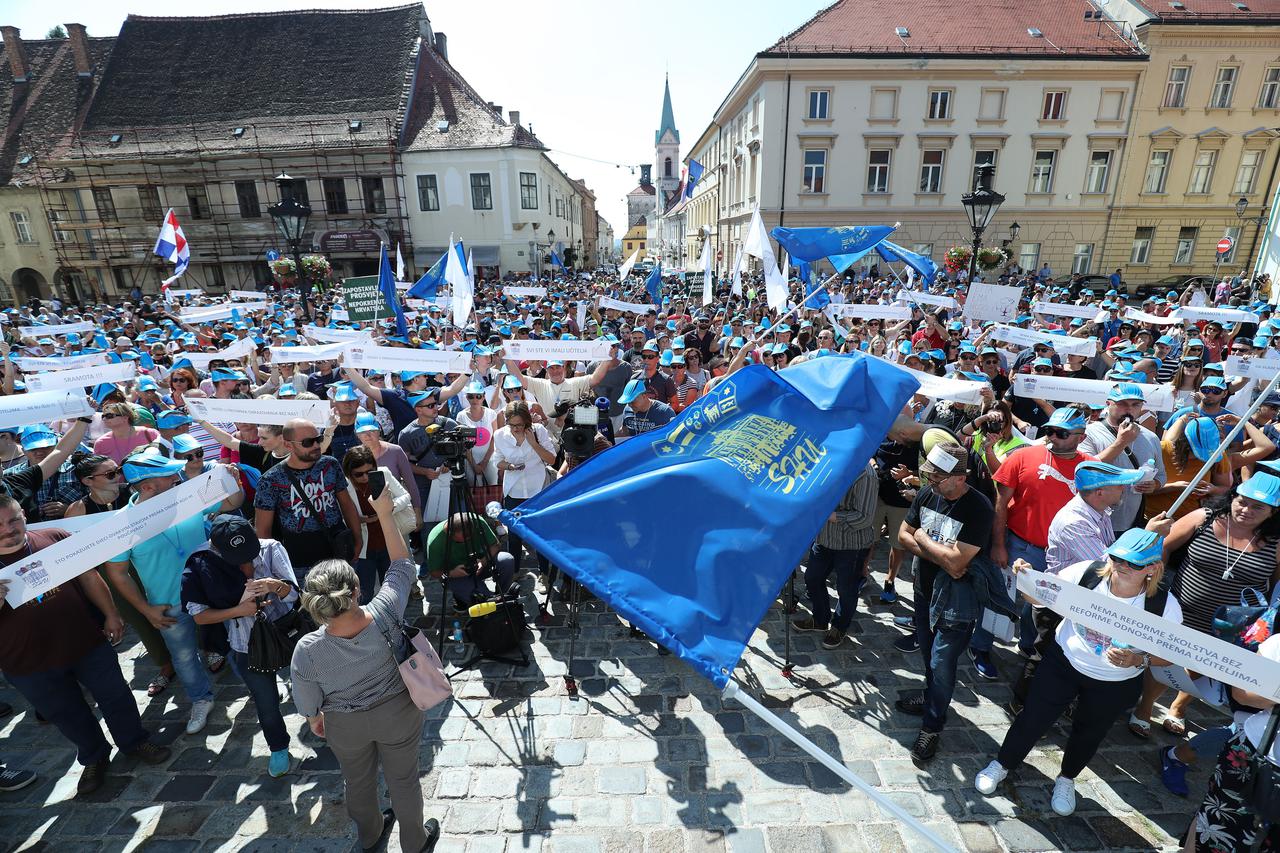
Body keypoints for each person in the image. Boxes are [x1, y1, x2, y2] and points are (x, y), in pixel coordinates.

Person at [975, 529, 1180, 817]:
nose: (1121, 567)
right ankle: (1002, 763)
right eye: (1117, 558)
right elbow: (1039, 599)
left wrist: (1139, 658)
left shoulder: (1164, 605)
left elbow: (1170, 654)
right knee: (1033, 717)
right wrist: (1029, 578)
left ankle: (1067, 778)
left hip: (1113, 682)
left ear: (1152, 568)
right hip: (1064, 662)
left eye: (1132, 564)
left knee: (1089, 732)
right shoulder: (1088, 572)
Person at [290, 486, 442, 853]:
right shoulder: (386, 611)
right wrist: (386, 515)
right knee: (404, 780)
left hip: (346, 724)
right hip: (397, 712)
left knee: (356, 782)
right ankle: (415, 842)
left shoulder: (307, 650)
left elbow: (308, 704)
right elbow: (402, 565)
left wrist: (314, 720)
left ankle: (370, 836)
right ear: (357, 588)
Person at [0, 495, 171, 795]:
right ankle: (94, 757)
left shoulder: (54, 537)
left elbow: (89, 576)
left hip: (85, 642)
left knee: (116, 696)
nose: (7, 529)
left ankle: (134, 741)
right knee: (67, 714)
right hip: (27, 662)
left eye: (12, 519)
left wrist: (111, 614)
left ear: (24, 514)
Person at [104, 450, 245, 735]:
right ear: (147, 487)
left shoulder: (186, 496)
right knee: (183, 657)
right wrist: (146, 610)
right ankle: (200, 699)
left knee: (236, 638)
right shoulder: (120, 525)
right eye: (169, 475)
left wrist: (234, 484)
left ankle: (253, 684)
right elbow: (117, 574)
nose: (178, 477)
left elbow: (232, 503)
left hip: (213, 593)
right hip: (168, 604)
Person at [1133, 473, 1280, 746]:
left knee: (1201, 667)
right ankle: (1146, 705)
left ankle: (1178, 707)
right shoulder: (1205, 517)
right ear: (1233, 497)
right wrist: (1156, 584)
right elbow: (1163, 546)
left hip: (1230, 625)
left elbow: (1274, 582)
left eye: (1257, 507)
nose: (1246, 510)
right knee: (1163, 658)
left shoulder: (1276, 543)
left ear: (1273, 512)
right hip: (1180, 610)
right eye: (1242, 501)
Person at [893, 441, 998, 763]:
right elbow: (901, 535)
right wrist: (940, 553)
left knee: (942, 663)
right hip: (925, 591)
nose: (930, 485)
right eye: (930, 478)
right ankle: (931, 699)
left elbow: (957, 564)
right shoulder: (929, 493)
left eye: (938, 479)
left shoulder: (978, 508)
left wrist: (923, 538)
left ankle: (932, 725)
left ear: (960, 478)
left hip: (959, 601)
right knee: (928, 657)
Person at [982, 406, 1096, 675]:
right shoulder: (1023, 457)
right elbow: (1001, 502)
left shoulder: (1090, 467)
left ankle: (1028, 647)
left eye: (1061, 433)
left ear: (1080, 436)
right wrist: (998, 544)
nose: (1053, 437)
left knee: (1042, 606)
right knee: (997, 597)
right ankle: (981, 647)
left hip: (1062, 556)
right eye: (1049, 431)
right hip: (1019, 543)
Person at [182, 515, 298, 778]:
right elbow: (199, 615)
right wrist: (239, 610)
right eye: (237, 559)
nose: (246, 564)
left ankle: (325, 725)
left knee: (311, 685)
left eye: (249, 555)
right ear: (217, 549)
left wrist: (275, 586)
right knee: (266, 702)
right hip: (246, 644)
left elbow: (295, 594)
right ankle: (278, 747)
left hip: (287, 633)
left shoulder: (272, 548)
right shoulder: (202, 562)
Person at [65, 452, 177, 698]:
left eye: (118, 470)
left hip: (150, 558)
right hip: (112, 570)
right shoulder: (78, 511)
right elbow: (76, 555)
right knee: (140, 618)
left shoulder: (134, 493)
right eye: (110, 474)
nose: (118, 477)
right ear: (88, 481)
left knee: (171, 603)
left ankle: (203, 648)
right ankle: (166, 666)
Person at [254, 417, 363, 586]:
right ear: (289, 445)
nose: (316, 446)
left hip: (339, 551)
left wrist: (358, 539)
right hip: (301, 564)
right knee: (313, 610)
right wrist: (272, 568)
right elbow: (263, 530)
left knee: (346, 605)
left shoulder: (330, 465)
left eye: (318, 439)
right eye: (307, 442)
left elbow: (347, 505)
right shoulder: (270, 480)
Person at [792, 462, 878, 649]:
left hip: (851, 545)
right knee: (812, 578)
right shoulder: (828, 462)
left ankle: (839, 627)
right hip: (824, 539)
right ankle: (820, 619)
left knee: (846, 589)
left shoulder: (865, 474)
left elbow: (864, 517)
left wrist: (832, 516)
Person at [1080, 383, 1164, 534]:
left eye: (1135, 404)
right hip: (1092, 523)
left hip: (1131, 523)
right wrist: (1121, 442)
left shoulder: (1151, 437)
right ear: (1108, 404)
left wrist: (1153, 485)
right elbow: (1086, 471)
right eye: (1122, 404)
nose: (1129, 409)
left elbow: (1162, 476)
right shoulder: (1089, 433)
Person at [492, 401, 558, 584]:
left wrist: (533, 443)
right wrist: (509, 466)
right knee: (514, 534)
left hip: (537, 489)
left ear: (527, 422)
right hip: (514, 490)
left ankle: (544, 574)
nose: (515, 429)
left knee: (539, 534)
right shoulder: (500, 435)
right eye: (511, 425)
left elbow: (552, 459)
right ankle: (514, 572)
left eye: (519, 425)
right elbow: (496, 460)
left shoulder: (538, 431)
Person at [343, 446, 414, 605]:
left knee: (394, 591)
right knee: (364, 594)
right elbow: (341, 514)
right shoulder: (344, 485)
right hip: (363, 548)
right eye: (359, 474)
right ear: (349, 472)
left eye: (369, 472)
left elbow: (405, 495)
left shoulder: (383, 473)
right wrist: (358, 519)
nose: (365, 477)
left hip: (388, 542)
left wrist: (387, 508)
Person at [424, 511, 517, 606]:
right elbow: (434, 572)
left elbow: (495, 545)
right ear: (450, 533)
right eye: (460, 541)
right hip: (456, 575)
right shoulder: (435, 541)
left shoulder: (478, 522)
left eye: (469, 538)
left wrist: (483, 561)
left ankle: (503, 595)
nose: (466, 542)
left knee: (506, 560)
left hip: (480, 565)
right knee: (483, 600)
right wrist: (452, 573)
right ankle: (466, 597)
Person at [93, 402, 160, 464]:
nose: (104, 419)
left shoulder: (150, 434)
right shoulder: (101, 443)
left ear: (125, 418)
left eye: (109, 416)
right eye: (103, 416)